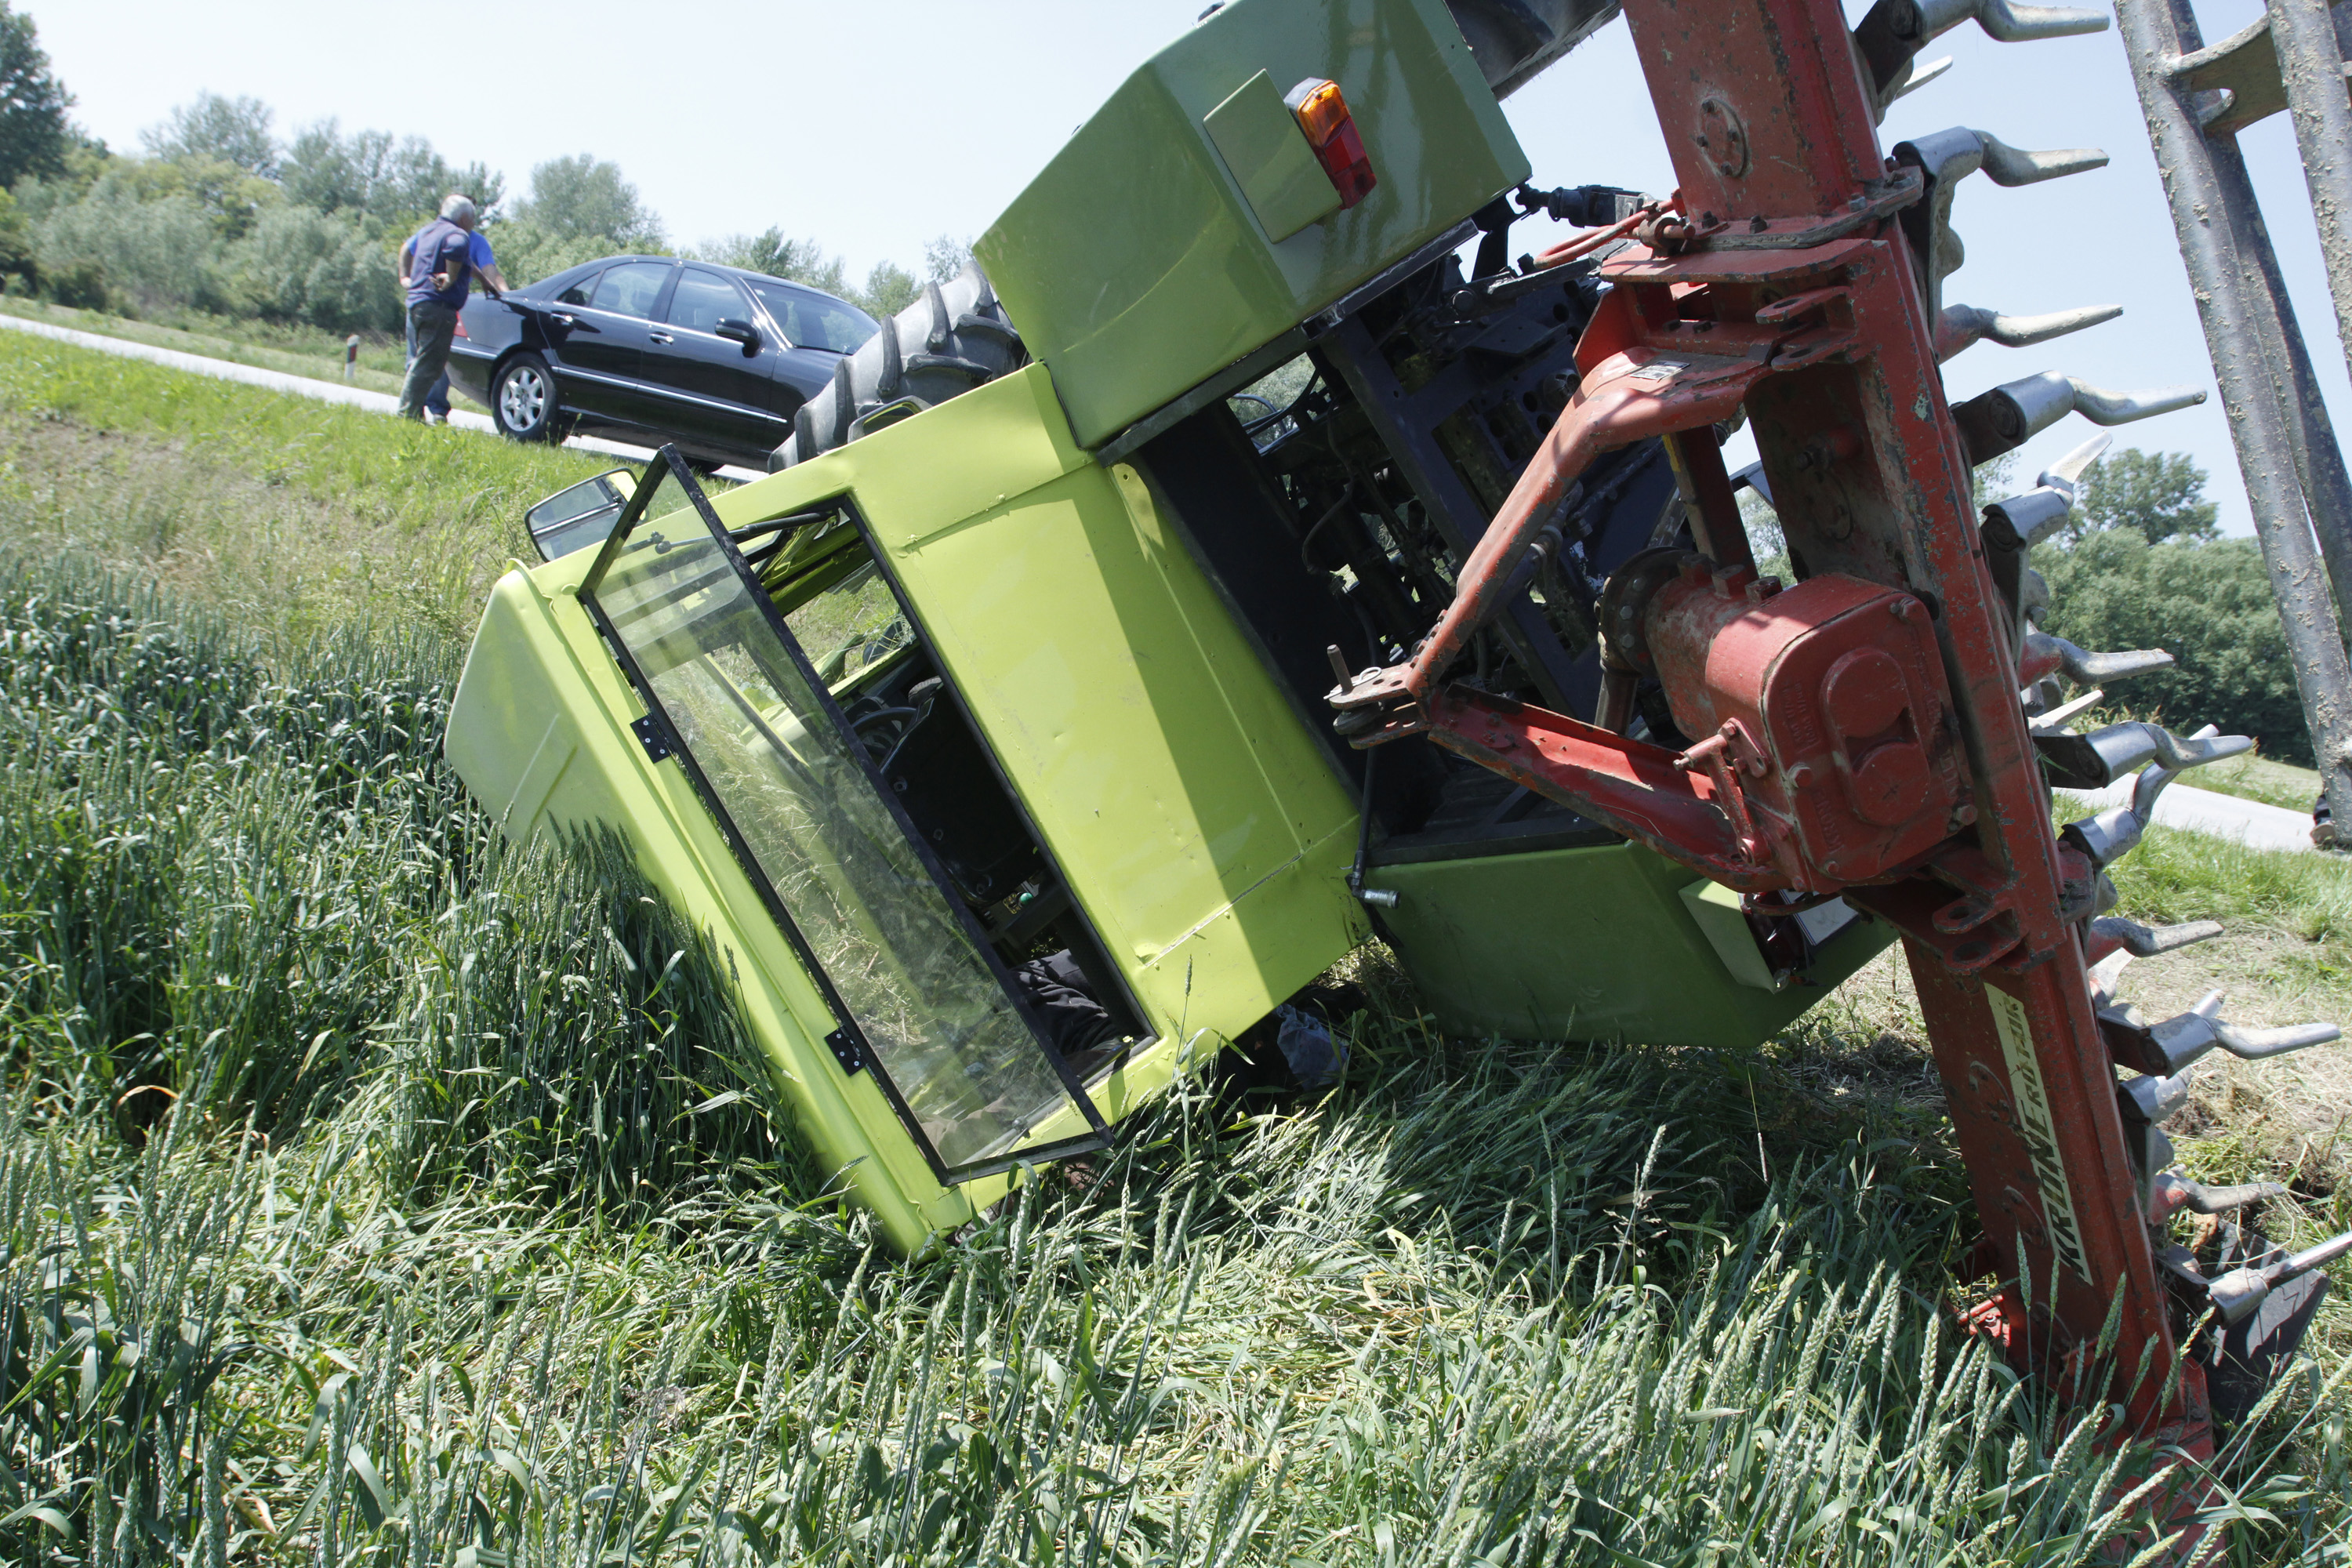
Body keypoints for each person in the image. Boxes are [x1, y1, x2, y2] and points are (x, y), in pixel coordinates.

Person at [394, 194, 512, 423]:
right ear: (463, 218)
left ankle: (414, 414)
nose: (474, 223)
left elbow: (469, 263)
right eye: (472, 218)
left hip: (416, 304)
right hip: (438, 307)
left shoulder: (429, 230)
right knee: (429, 364)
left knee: (418, 361)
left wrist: (404, 278)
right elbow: (457, 248)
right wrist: (451, 278)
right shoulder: (458, 234)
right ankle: (406, 415)